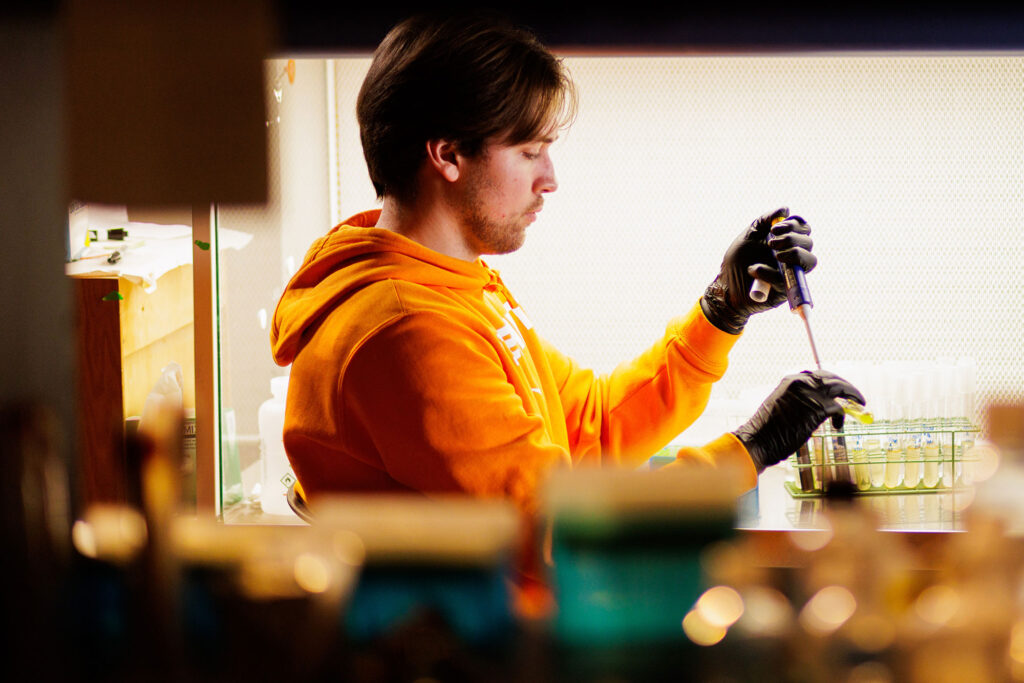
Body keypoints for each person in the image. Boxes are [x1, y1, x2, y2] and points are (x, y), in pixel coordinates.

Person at [270, 11, 863, 533]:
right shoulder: (407, 330)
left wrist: (721, 309)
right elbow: (563, 526)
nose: (549, 178)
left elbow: (593, 428)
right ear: (448, 154)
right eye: (529, 151)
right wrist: (752, 449)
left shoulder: (451, 286)